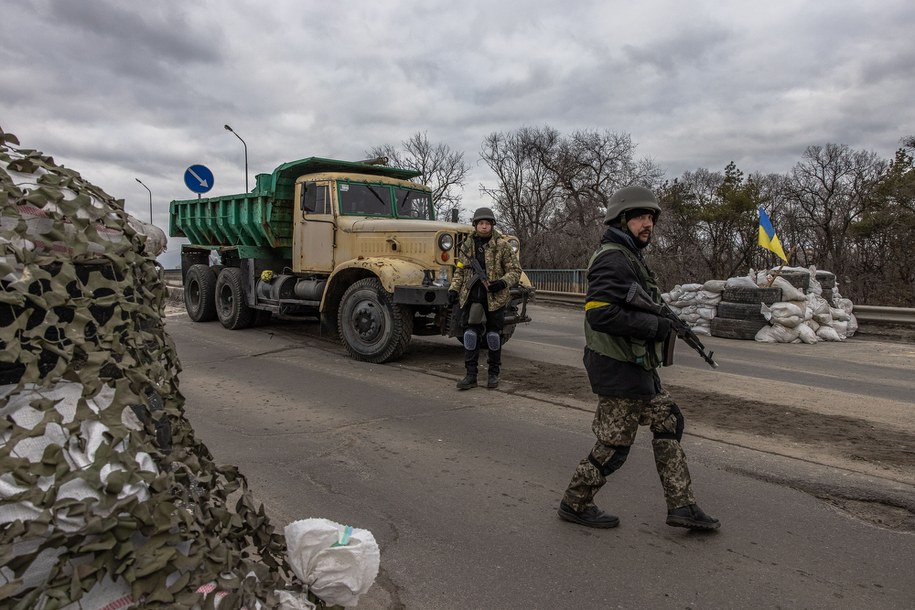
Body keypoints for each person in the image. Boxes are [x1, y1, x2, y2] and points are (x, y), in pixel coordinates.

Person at [557, 186, 720, 530]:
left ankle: (683, 505)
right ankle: (575, 502)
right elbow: (599, 314)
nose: (648, 224)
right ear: (621, 219)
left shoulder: (630, 256)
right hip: (616, 365)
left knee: (668, 420)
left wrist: (662, 321)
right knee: (614, 446)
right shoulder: (612, 258)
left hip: (634, 364)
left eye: (651, 218)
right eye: (641, 218)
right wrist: (656, 326)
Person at [448, 207, 522, 390]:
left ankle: (493, 374)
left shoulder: (502, 246)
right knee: (470, 335)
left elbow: (515, 271)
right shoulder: (467, 245)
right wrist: (453, 290)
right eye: (480, 223)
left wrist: (502, 283)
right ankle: (470, 375)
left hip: (495, 298)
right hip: (473, 297)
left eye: (487, 223)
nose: (483, 226)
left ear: (492, 225)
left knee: (493, 336)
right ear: (475, 225)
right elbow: (460, 270)